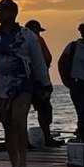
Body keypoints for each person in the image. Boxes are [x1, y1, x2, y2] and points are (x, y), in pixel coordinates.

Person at [0, 0, 49, 167]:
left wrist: (45, 84)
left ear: (13, 13)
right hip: (0, 89)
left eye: (3, 10)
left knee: (19, 122)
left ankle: (23, 165)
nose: (0, 14)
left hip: (22, 87)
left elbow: (38, 62)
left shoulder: (27, 36)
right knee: (8, 127)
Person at [26, 20, 64, 148]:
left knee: (40, 109)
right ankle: (45, 138)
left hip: (34, 79)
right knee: (43, 109)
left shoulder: (33, 41)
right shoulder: (35, 41)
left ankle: (31, 140)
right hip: (37, 81)